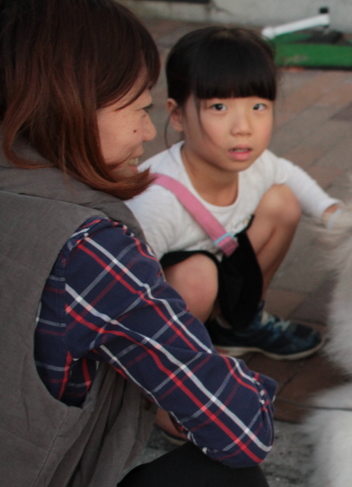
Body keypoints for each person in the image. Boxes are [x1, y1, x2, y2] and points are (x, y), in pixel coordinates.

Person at [0, 0, 276, 487]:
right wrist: (189, 383)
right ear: (67, 104)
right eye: (135, 108)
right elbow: (242, 429)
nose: (147, 131)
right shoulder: (89, 246)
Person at [126, 25, 340, 361]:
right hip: (174, 299)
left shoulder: (256, 164)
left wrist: (334, 215)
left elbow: (293, 177)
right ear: (178, 115)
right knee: (196, 277)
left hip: (221, 267)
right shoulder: (155, 200)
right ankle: (183, 355)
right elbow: (127, 293)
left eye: (258, 107)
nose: (243, 127)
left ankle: (240, 324)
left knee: (282, 201)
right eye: (219, 107)